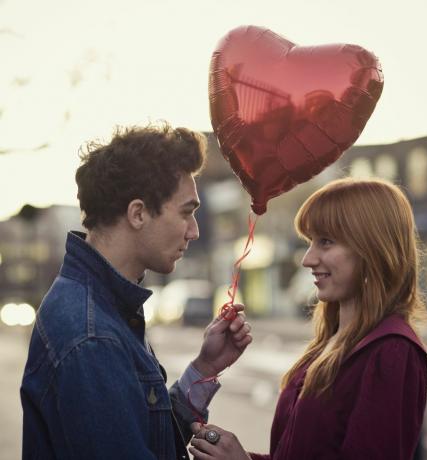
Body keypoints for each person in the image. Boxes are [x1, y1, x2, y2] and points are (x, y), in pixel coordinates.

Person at [20, 123, 253, 460]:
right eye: (187, 212)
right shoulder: (92, 336)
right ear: (138, 213)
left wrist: (204, 368)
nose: (194, 231)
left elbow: (150, 433)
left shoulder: (102, 308)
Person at [190, 177, 427, 460]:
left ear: (371, 249)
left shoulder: (391, 351)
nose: (307, 259)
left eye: (325, 242)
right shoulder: (330, 344)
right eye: (310, 242)